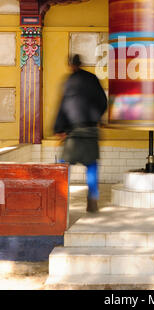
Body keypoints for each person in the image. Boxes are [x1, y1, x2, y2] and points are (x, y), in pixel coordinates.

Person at [54, 54, 107, 213]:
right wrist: (97, 118)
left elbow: (64, 106)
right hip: (91, 130)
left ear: (70, 65)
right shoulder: (93, 78)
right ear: (81, 63)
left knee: (63, 165)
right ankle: (92, 199)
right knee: (91, 164)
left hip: (74, 132)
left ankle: (60, 198)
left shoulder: (69, 81)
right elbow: (103, 102)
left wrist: (59, 129)